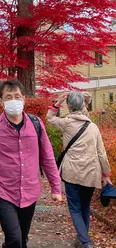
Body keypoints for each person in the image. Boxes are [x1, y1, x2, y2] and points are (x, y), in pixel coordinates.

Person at [0, 79, 62, 248]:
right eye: (9, 97)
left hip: (30, 190)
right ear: (1, 101)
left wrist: (56, 187)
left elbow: (48, 157)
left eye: (17, 96)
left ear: (24, 99)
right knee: (14, 239)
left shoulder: (36, 125)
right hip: (3, 190)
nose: (14, 100)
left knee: (22, 238)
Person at [47, 91, 112, 248]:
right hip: (91, 173)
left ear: (69, 106)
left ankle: (85, 242)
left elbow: (49, 118)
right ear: (84, 105)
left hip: (71, 173)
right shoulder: (93, 127)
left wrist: (58, 102)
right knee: (84, 207)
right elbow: (101, 153)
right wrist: (106, 174)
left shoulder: (66, 123)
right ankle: (82, 239)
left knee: (75, 208)